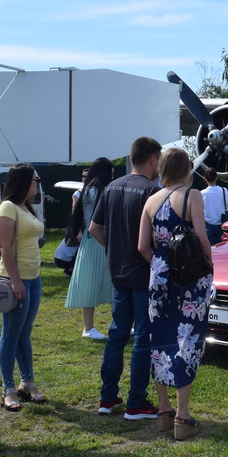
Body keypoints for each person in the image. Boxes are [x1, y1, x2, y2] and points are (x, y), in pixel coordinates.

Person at [138, 148, 214, 439]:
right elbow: (202, 238)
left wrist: (160, 265)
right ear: (186, 169)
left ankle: (164, 409)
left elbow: (142, 246)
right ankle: (183, 415)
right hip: (189, 278)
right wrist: (208, 266)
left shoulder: (151, 200)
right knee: (187, 339)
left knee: (160, 339)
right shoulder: (192, 195)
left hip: (159, 278)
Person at [91, 136, 163, 420]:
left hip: (118, 273)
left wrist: (114, 248)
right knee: (143, 338)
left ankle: (107, 398)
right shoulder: (151, 191)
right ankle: (136, 402)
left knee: (117, 334)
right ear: (153, 160)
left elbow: (94, 228)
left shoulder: (110, 187)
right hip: (144, 273)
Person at [0, 164, 48, 412]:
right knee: (10, 334)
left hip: (33, 278)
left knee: (23, 333)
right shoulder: (8, 207)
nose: (38, 183)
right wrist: (16, 280)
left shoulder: (25, 207)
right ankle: (8, 388)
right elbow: (4, 247)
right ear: (25, 181)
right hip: (15, 279)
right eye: (36, 179)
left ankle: (27, 383)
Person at [65, 158, 116, 341]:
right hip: (97, 238)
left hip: (92, 239)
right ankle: (89, 327)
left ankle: (92, 326)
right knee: (94, 282)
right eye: (111, 173)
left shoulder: (89, 191)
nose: (112, 177)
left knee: (98, 282)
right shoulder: (96, 192)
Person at [200, 167, 228, 246]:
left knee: (209, 248)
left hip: (208, 224)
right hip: (222, 223)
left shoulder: (202, 193)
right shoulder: (224, 190)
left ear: (205, 178)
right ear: (216, 177)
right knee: (221, 247)